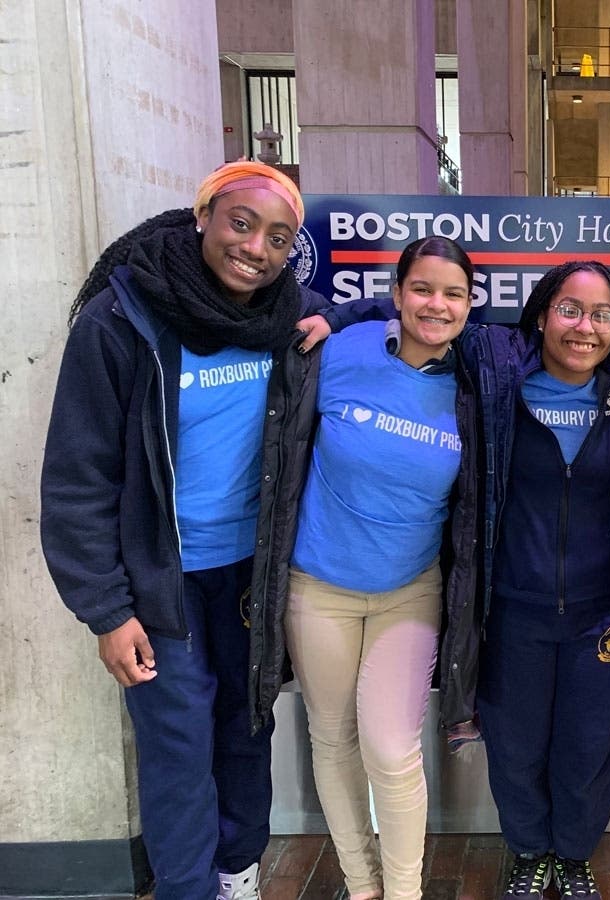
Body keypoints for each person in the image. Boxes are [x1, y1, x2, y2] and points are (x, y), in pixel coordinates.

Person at [40, 161, 323, 900]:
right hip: (160, 583)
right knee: (176, 747)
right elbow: (77, 478)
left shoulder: (285, 314)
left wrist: (348, 318)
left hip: (251, 579)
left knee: (243, 728)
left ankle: (237, 875)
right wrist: (107, 610)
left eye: (278, 237)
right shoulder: (123, 317)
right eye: (241, 223)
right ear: (202, 215)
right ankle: (187, 889)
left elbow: (370, 320)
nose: (256, 248)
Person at [278, 236, 479, 900]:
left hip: (409, 591)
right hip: (318, 587)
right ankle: (361, 886)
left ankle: (404, 891)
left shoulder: (476, 379)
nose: (436, 305)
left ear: (470, 304)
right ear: (395, 295)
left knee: (391, 751)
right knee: (331, 739)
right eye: (421, 288)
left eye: (453, 293)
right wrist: (337, 317)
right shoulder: (341, 351)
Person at [456, 261, 610, 900]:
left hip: (603, 613)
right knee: (515, 747)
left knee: (588, 747)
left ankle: (573, 855)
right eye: (570, 309)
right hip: (514, 607)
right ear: (542, 315)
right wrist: (339, 315)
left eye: (603, 315)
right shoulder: (498, 386)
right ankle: (527, 852)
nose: (586, 328)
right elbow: (419, 317)